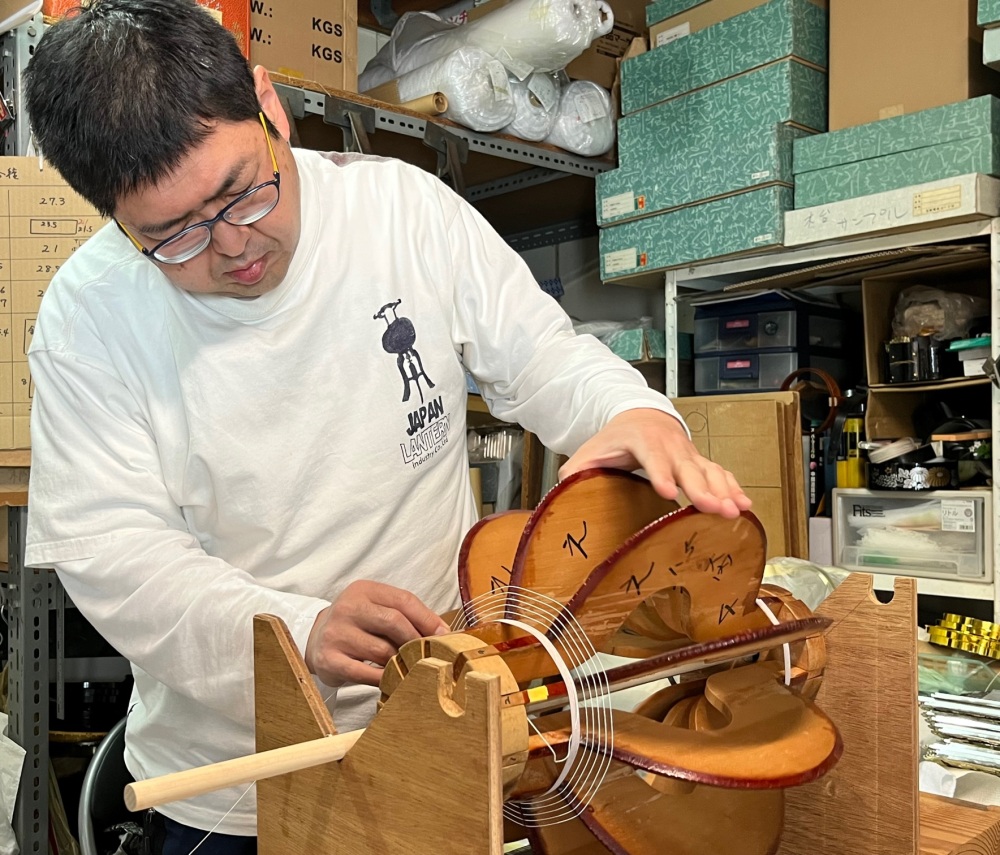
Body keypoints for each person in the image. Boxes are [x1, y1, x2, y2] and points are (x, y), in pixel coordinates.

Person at [22, 1, 750, 852]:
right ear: (116, 221)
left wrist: (632, 412)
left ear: (269, 104)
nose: (232, 246)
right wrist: (300, 629)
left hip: (451, 733)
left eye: (242, 191)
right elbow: (117, 555)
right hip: (235, 784)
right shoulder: (89, 317)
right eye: (174, 236)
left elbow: (544, 356)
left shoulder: (401, 211)